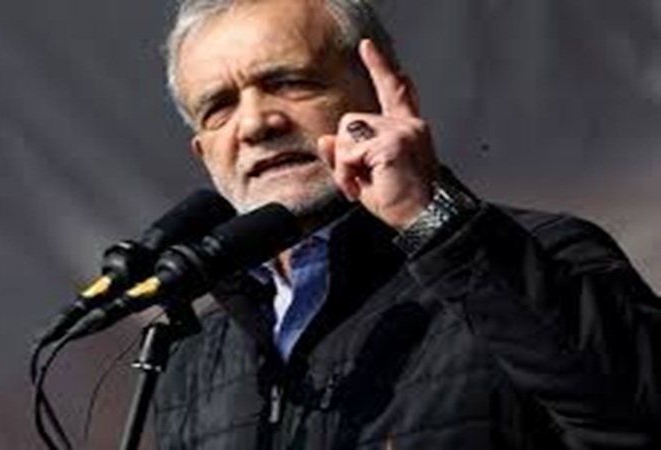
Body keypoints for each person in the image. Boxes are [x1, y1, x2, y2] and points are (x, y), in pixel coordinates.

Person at [151, 0, 661, 448]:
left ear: (382, 93)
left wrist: (430, 219)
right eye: (219, 107)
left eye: (289, 82)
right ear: (204, 153)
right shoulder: (191, 356)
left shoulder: (546, 254)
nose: (256, 123)